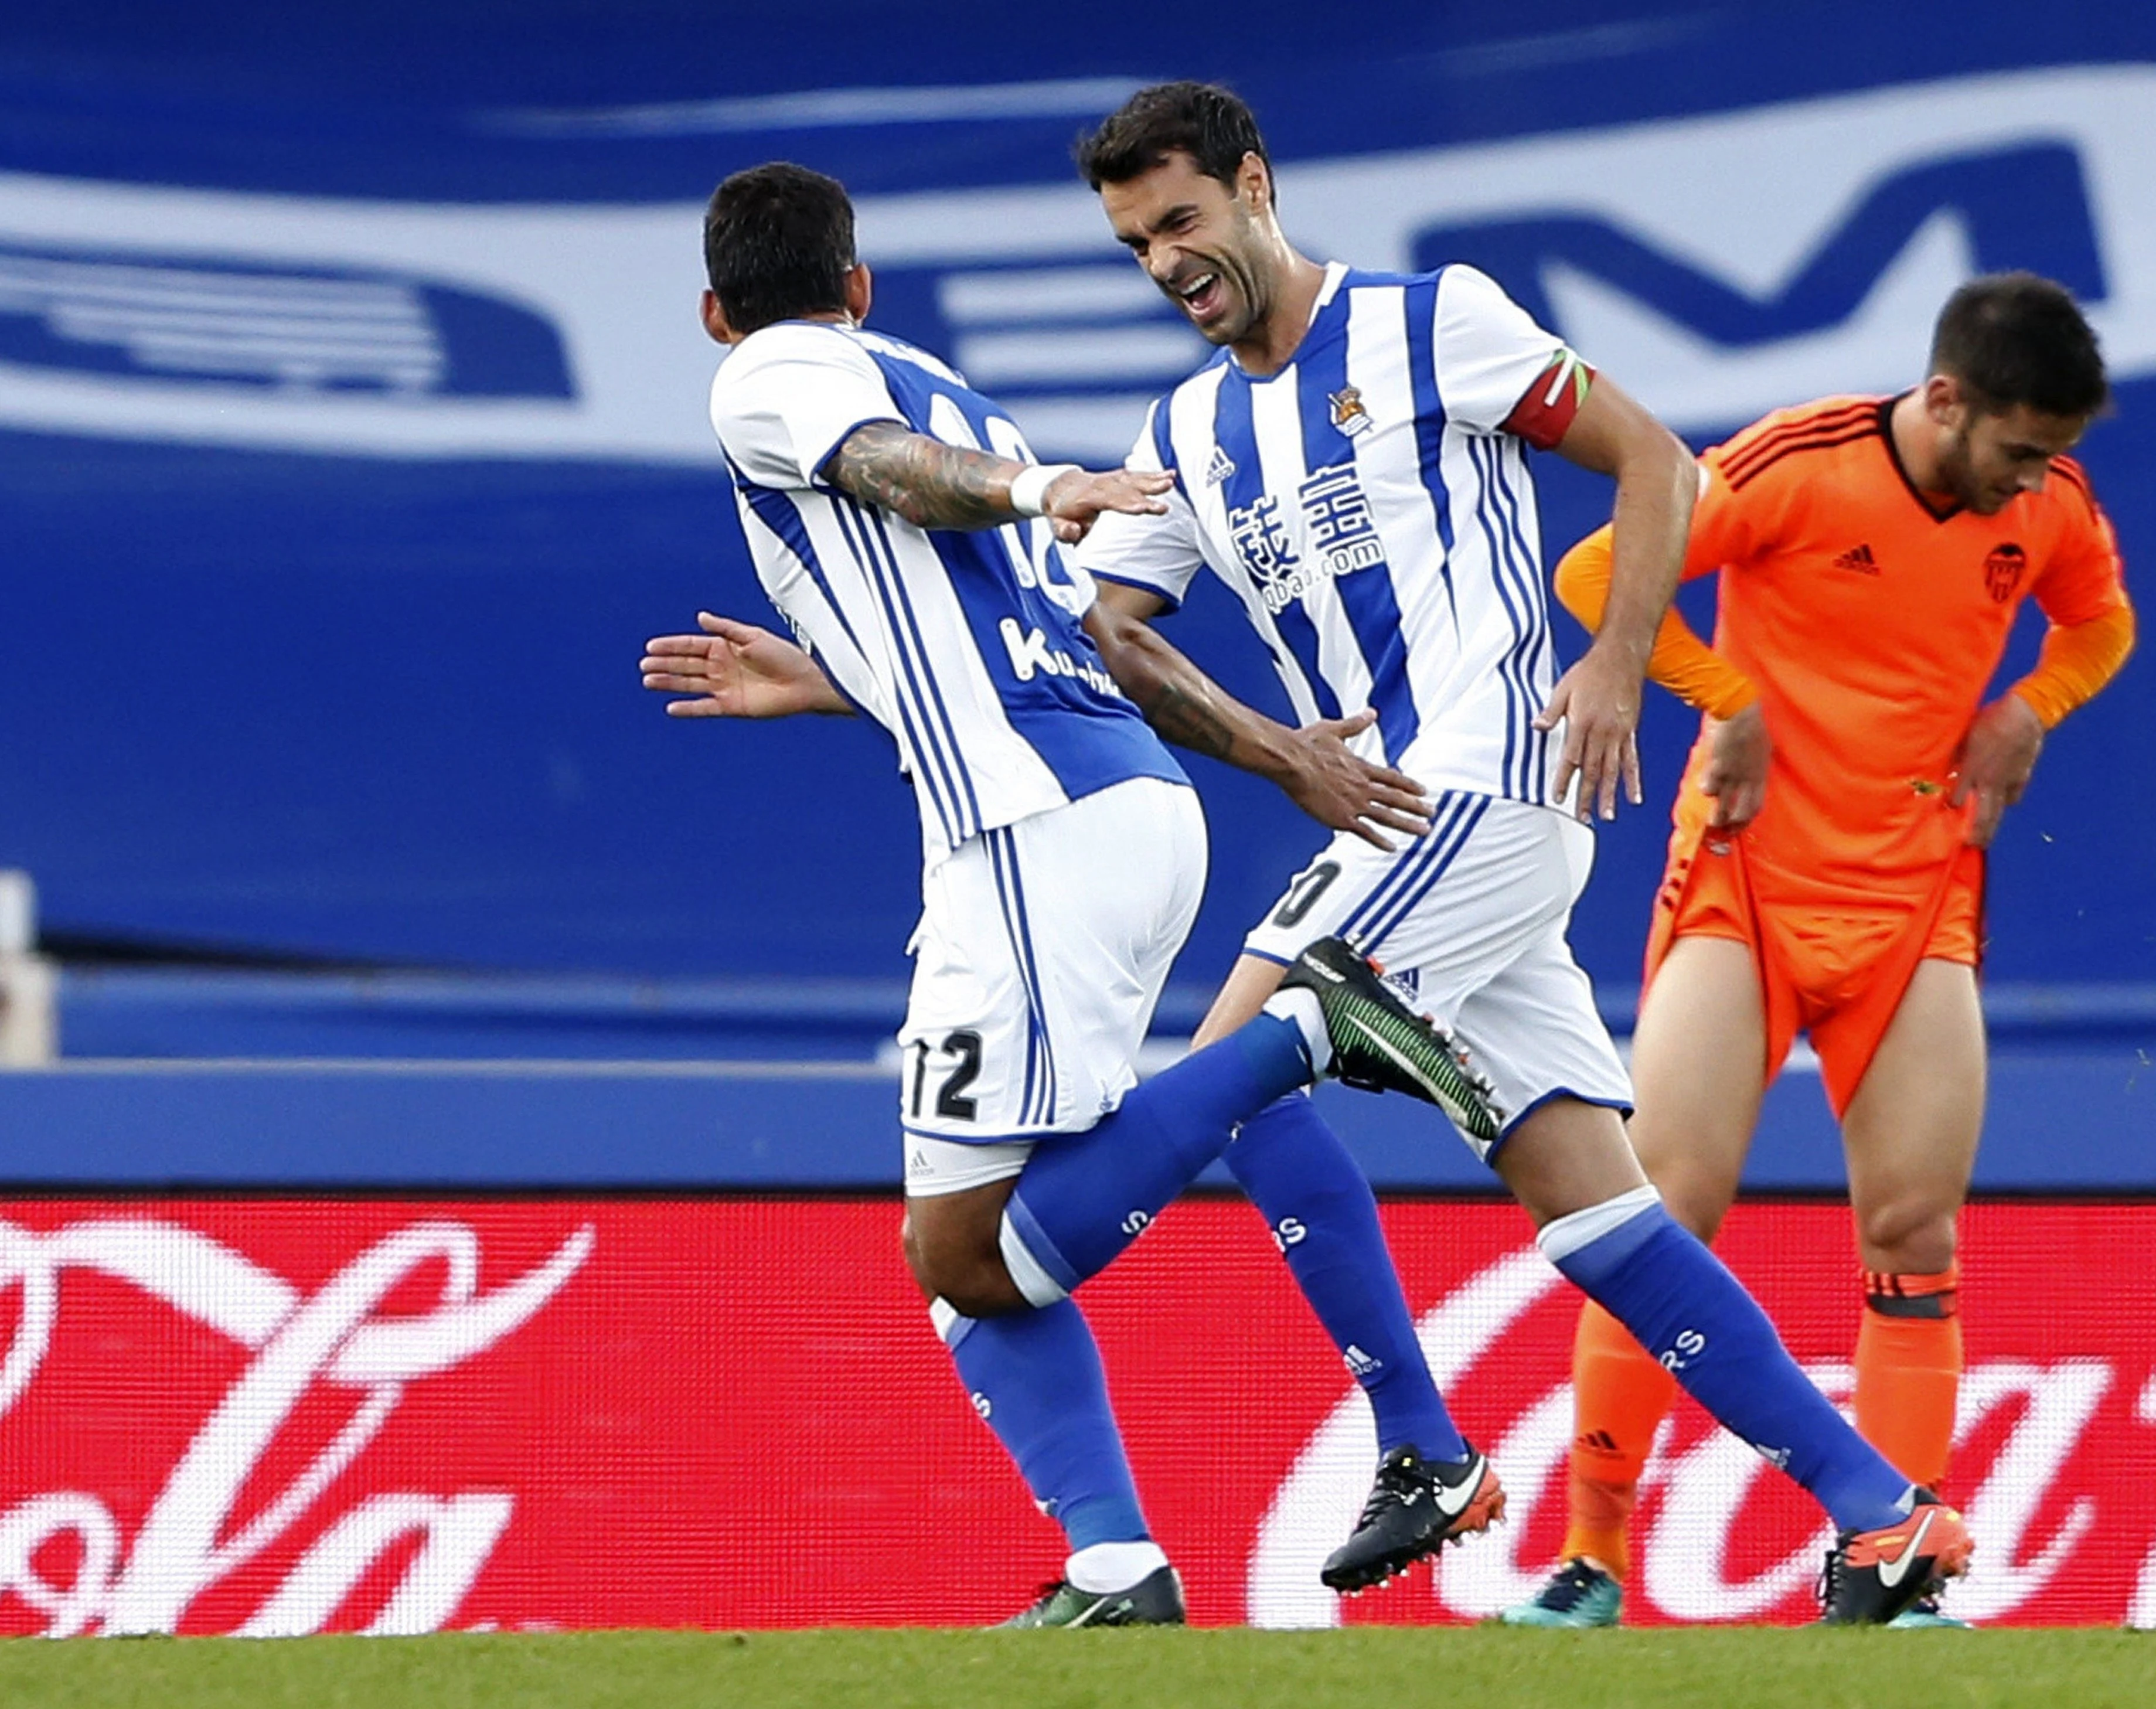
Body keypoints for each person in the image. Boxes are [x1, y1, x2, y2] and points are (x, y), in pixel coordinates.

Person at [669, 84, 1974, 1624]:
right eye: (1136, 242)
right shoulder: (1189, 431)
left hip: (1479, 788)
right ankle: (1884, 1518)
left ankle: (1418, 1436)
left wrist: (1619, 658)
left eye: (1183, 221)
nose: (1167, 260)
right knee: (1592, 1205)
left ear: (1255, 187)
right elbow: (1082, 637)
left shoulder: (1432, 325)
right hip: (1396, 817)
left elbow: (1660, 466)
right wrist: (857, 682)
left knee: (1252, 1051)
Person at [674, 161, 1508, 1627]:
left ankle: (1309, 1033)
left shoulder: (776, 374)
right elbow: (1043, 641)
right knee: (963, 1241)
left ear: (715, 310)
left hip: (1031, 828)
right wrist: (830, 683)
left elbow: (878, 464)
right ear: (861, 282)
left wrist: (1035, 488)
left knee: (968, 1244)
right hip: (1110, 801)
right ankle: (1116, 1566)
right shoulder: (942, 378)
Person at [1491, 274, 2134, 1629]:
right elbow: (1599, 571)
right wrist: (1723, 698)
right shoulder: (1801, 463)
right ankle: (1591, 1560)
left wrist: (2032, 707)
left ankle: (1889, 1565)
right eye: (2018, 451)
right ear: (1946, 400)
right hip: (1747, 879)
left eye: (2053, 458)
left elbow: (2099, 622)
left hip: (1917, 894)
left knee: (1912, 1231)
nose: (2034, 484)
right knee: (1658, 1215)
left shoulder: (2046, 504)